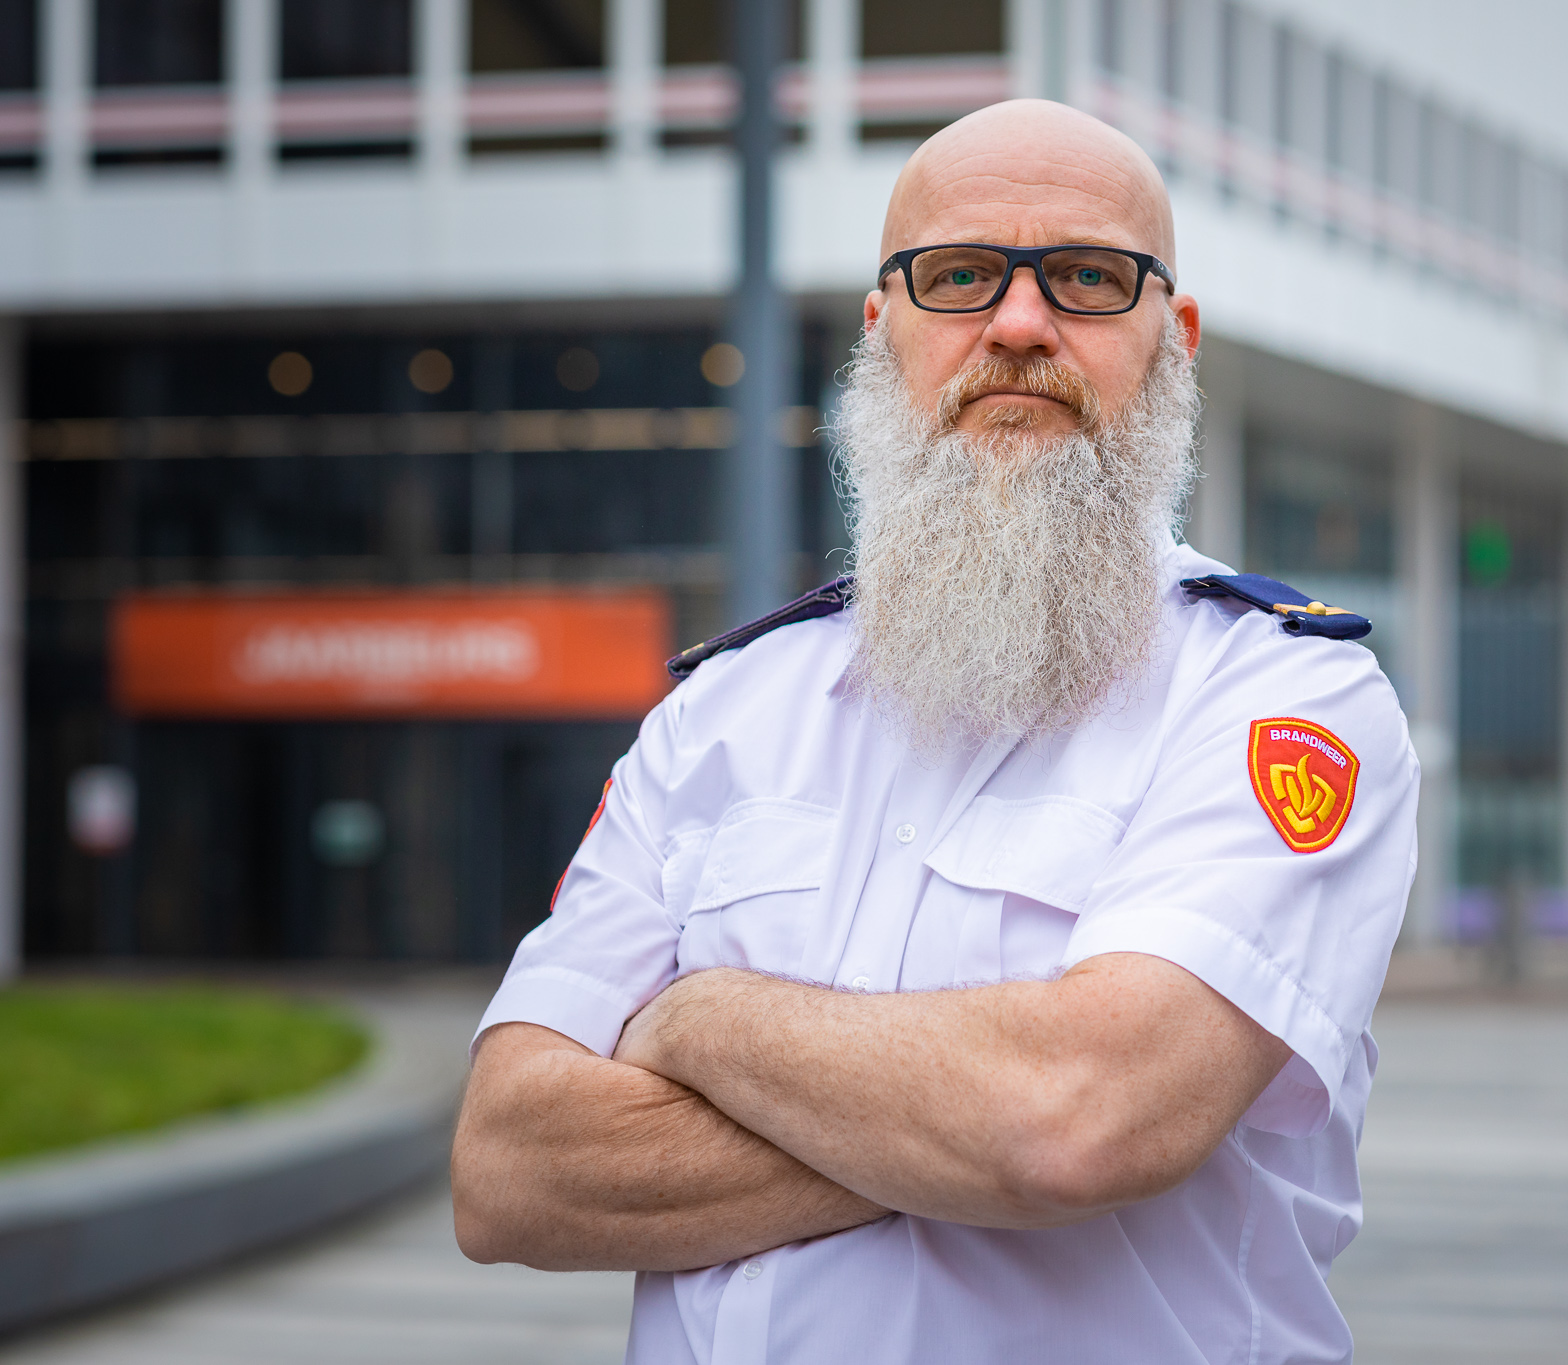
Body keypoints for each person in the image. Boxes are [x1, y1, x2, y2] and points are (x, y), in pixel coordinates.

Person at [452, 98, 1419, 1364]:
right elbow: (510, 1168)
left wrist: (700, 1024)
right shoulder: (719, 715)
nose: (1018, 326)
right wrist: (961, 1130)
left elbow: (1078, 1119)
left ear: (1170, 339)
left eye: (1085, 278)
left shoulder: (1280, 699)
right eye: (958, 276)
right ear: (883, 326)